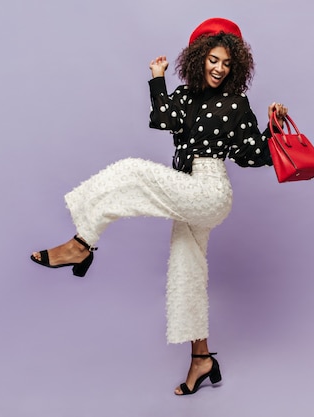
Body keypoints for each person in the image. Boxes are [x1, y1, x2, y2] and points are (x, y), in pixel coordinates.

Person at [30, 17, 288, 396]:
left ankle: (81, 244)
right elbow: (161, 118)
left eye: (226, 63)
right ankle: (202, 359)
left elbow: (254, 155)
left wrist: (274, 125)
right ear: (200, 58)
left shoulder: (236, 102)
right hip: (184, 185)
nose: (218, 68)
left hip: (210, 189)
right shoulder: (185, 96)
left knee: (132, 171)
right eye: (213, 60)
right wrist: (156, 77)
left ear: (236, 67)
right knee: (187, 268)